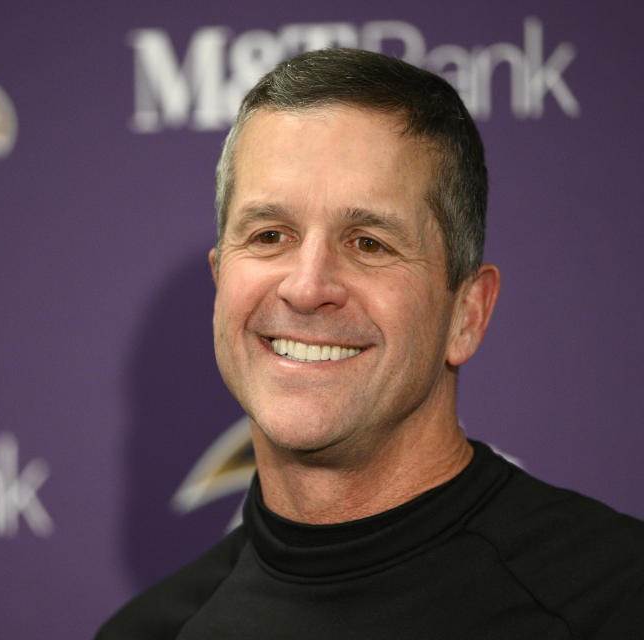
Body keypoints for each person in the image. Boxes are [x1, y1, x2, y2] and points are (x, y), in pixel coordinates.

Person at [97, 48, 644, 639]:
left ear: (467, 313)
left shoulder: (614, 600)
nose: (306, 288)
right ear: (220, 281)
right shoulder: (147, 632)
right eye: (270, 234)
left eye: (368, 244)